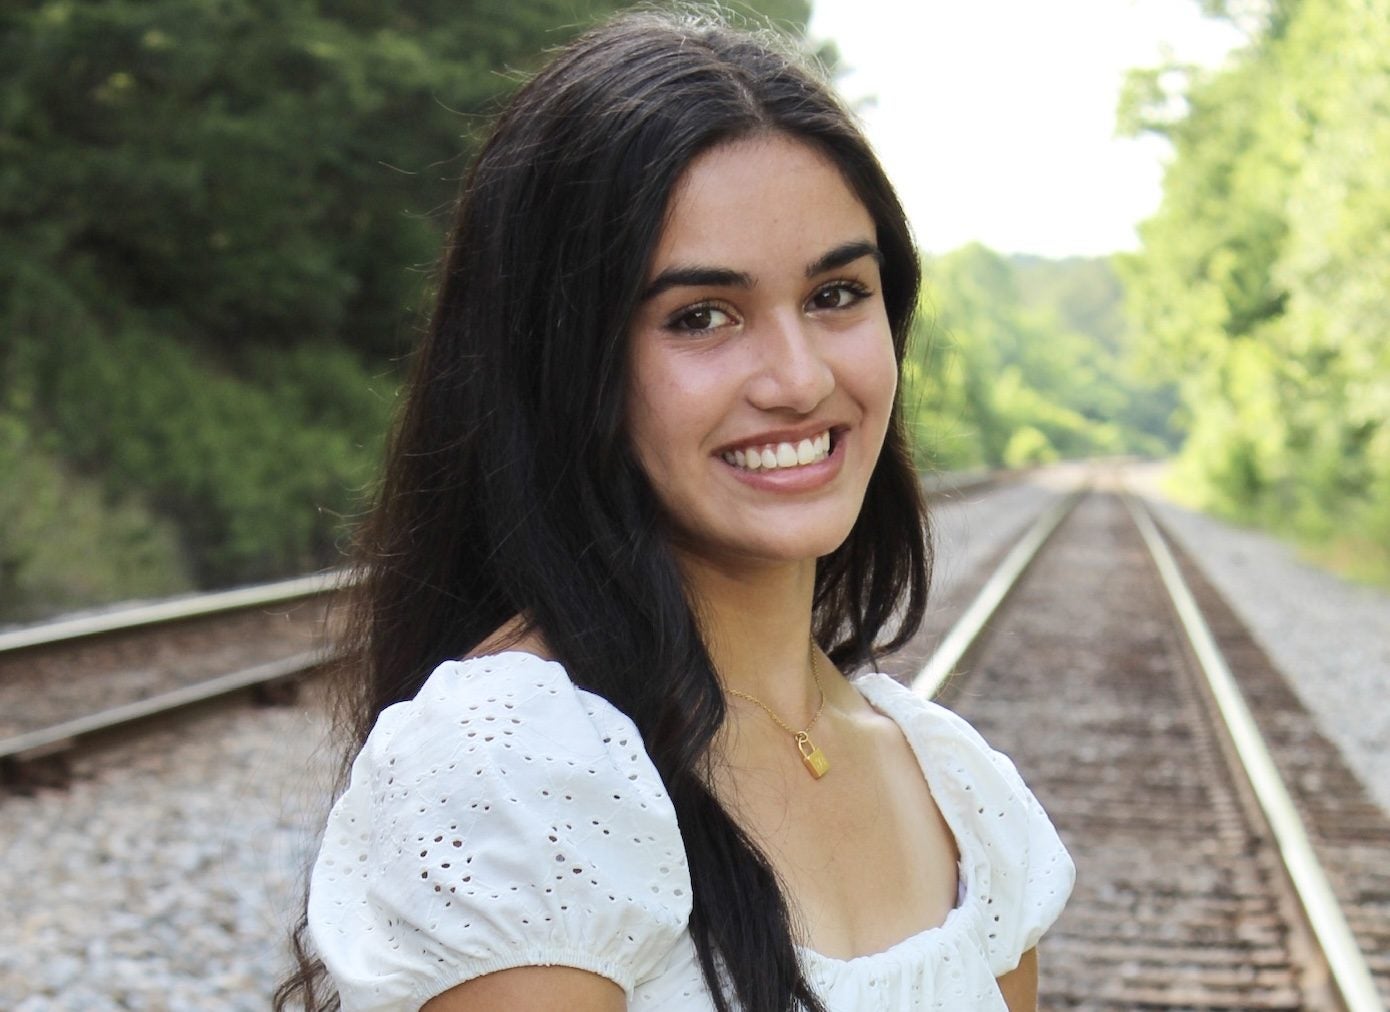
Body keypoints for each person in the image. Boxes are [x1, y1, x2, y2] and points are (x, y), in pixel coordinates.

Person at [276, 9, 1074, 1011]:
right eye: (701, 316)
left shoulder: (964, 800)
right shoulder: (524, 773)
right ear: (566, 364)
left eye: (836, 294)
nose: (797, 376)